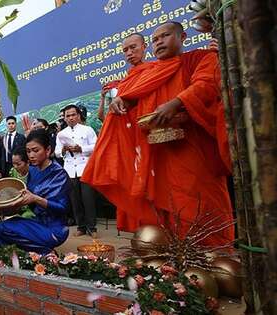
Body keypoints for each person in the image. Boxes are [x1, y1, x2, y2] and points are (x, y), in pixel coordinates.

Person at [82, 22, 234, 245]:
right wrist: (120, 100)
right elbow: (136, 95)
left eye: (164, 36)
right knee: (168, 209)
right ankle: (177, 260)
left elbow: (207, 85)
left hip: (194, 152)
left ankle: (214, 258)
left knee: (202, 206)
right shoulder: (150, 72)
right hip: (160, 155)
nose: (159, 42)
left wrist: (177, 103)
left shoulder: (200, 58)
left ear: (182, 37)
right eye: (155, 39)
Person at [0, 129, 71, 254]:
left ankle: (45, 253)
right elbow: (30, 200)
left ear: (47, 150)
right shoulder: (33, 170)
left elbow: (63, 208)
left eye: (36, 151)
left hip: (55, 229)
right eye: (28, 151)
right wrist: (16, 202)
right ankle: (10, 260)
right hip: (37, 222)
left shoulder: (59, 174)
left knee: (3, 228)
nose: (31, 155)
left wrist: (36, 199)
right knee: (1, 228)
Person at [55, 104, 98, 237]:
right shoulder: (62, 134)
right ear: (65, 118)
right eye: (68, 116)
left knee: (88, 199)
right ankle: (81, 227)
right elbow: (56, 152)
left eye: (73, 115)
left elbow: (96, 146)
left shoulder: (88, 129)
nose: (71, 118)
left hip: (85, 168)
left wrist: (81, 149)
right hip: (69, 170)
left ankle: (92, 228)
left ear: (78, 116)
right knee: (75, 200)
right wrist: (63, 150)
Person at [98, 33, 148, 122]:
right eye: (125, 50)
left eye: (133, 47)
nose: (129, 53)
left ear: (144, 46)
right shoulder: (125, 82)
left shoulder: (154, 70)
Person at [9, 146, 35, 219]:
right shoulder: (12, 172)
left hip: (32, 207)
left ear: (28, 162)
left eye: (18, 164)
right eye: (13, 163)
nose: (15, 167)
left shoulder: (34, 174)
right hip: (17, 205)